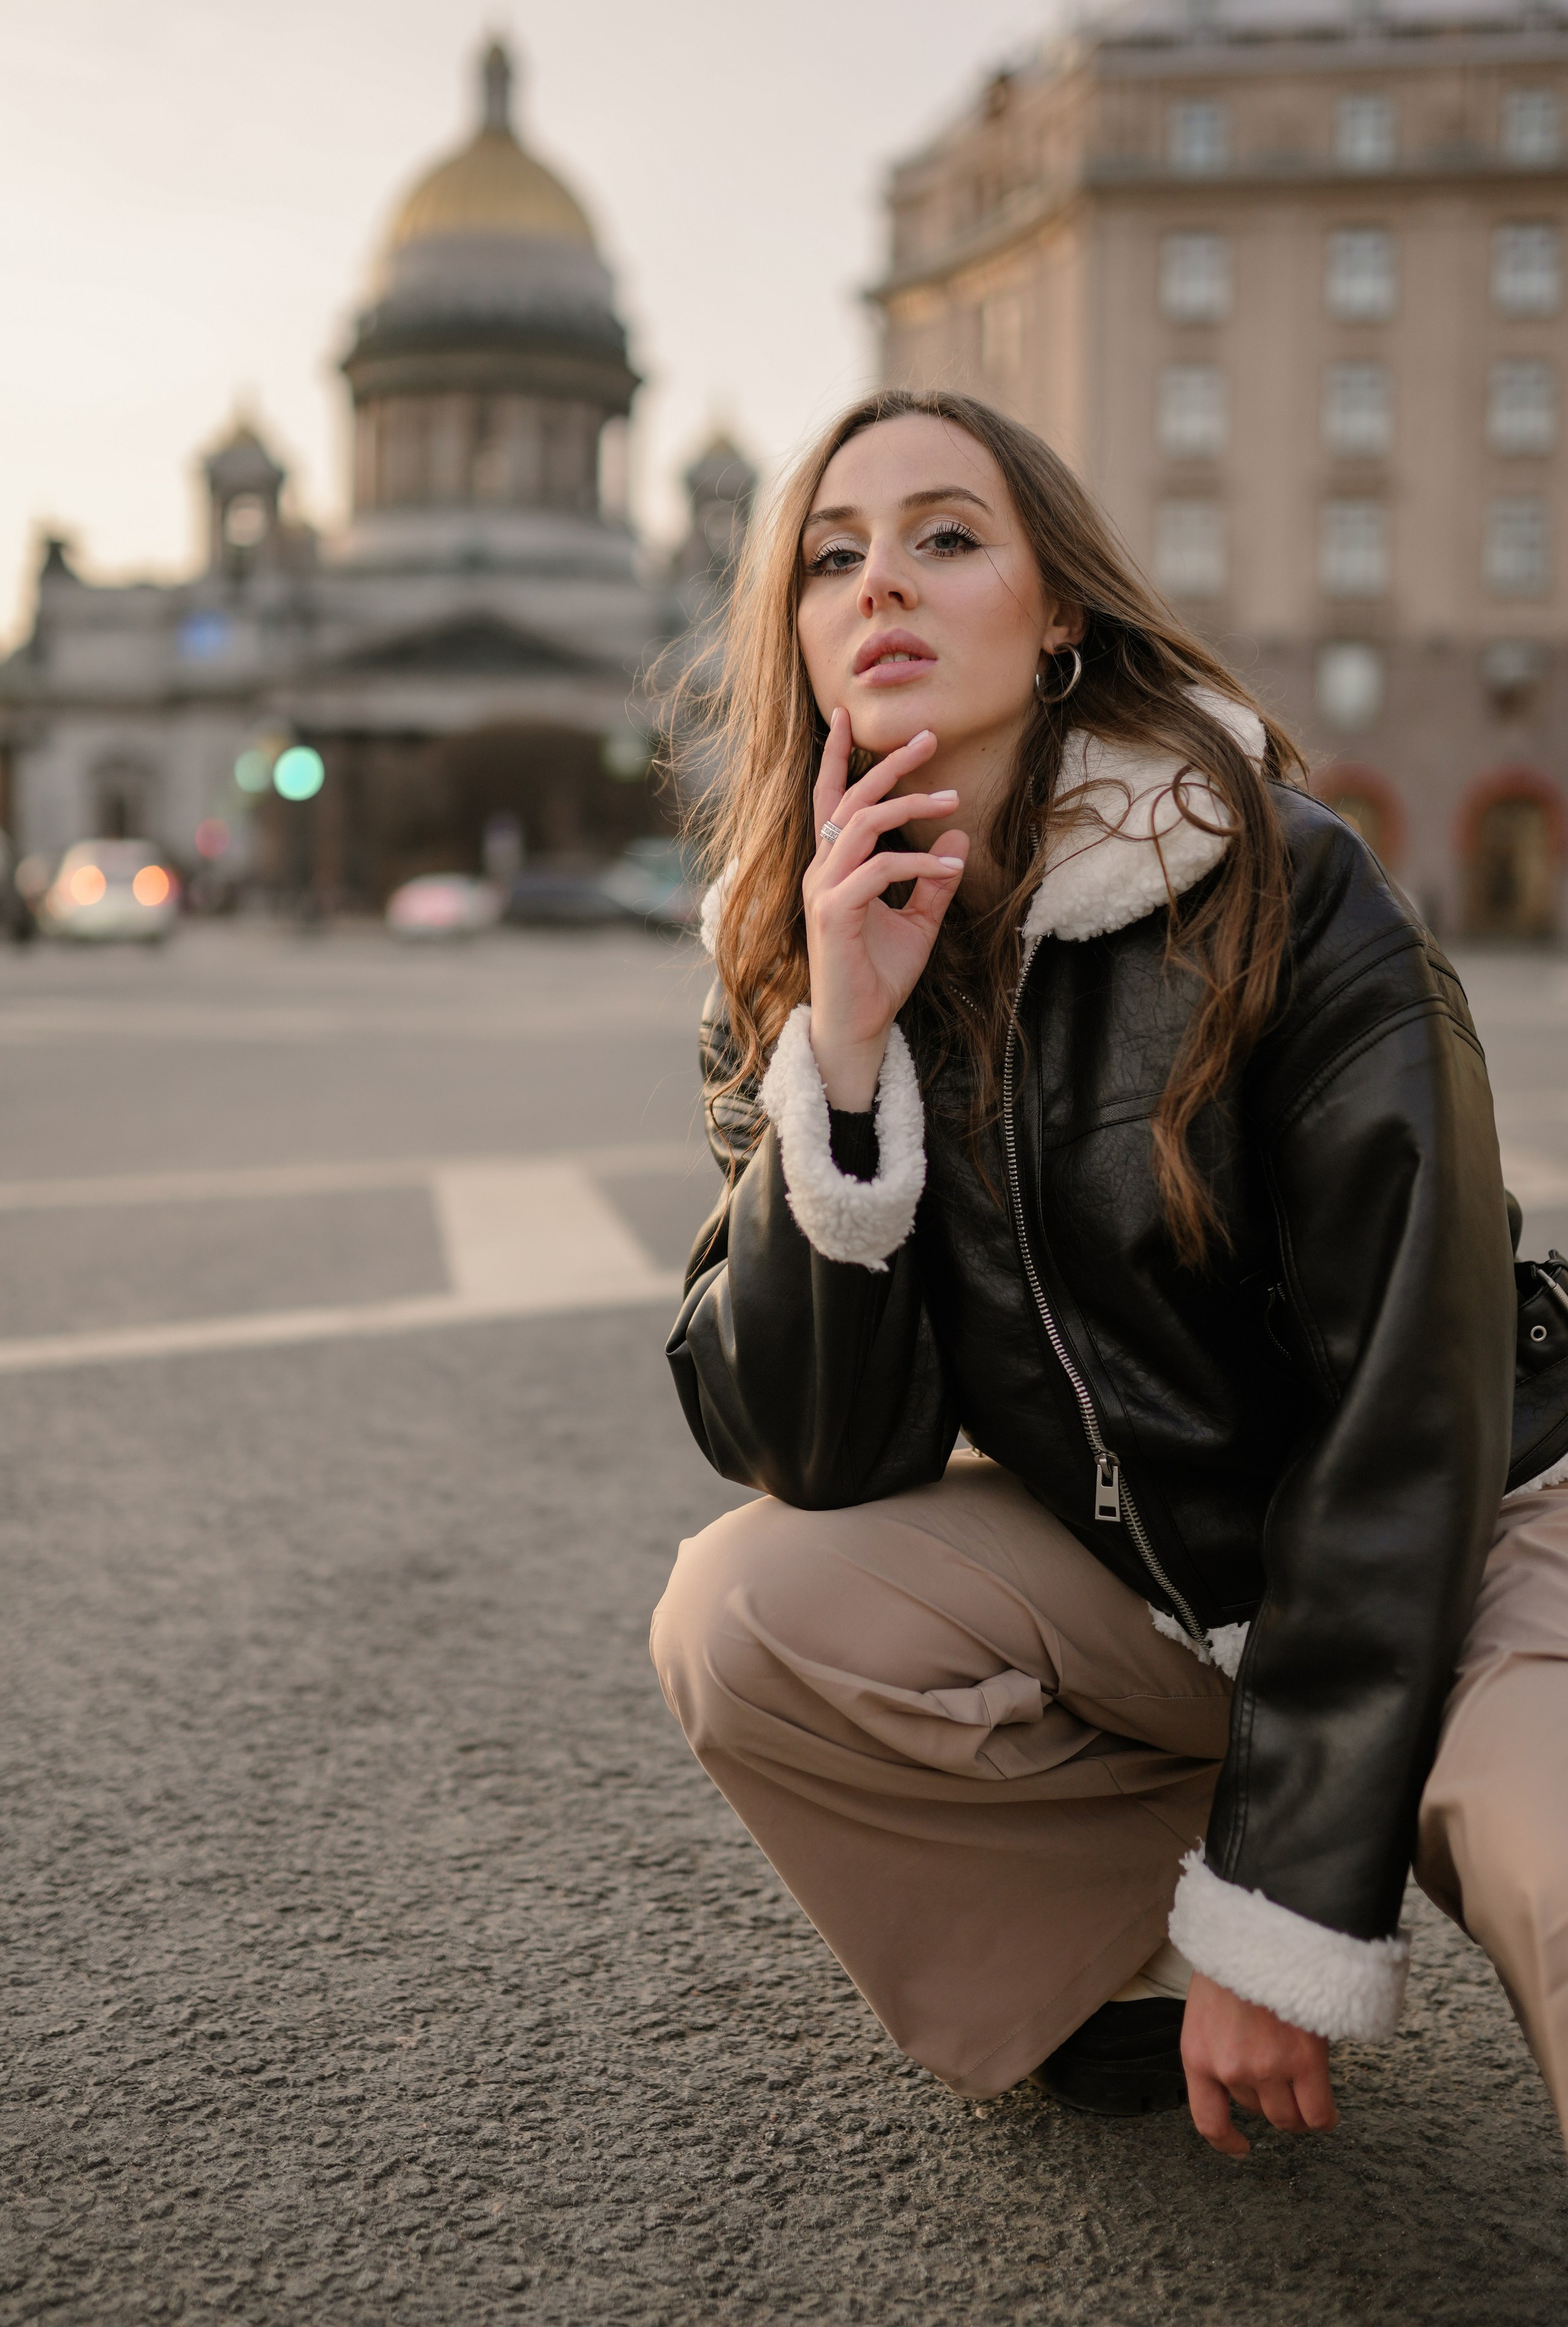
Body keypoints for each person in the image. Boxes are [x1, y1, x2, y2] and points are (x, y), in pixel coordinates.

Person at [651, 387, 1568, 2158]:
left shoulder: (1285, 881)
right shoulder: (796, 952)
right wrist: (840, 1051)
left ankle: (1291, 1873)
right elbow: (816, 1450)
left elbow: (1414, 1406)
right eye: (831, 559)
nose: (880, 588)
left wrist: (1286, 1908)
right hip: (1172, 1585)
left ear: (1059, 607)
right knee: (749, 1615)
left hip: (1477, 1536)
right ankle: (1133, 1964)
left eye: (945, 537)